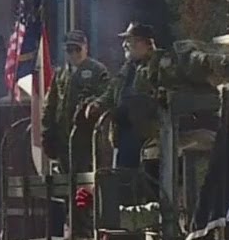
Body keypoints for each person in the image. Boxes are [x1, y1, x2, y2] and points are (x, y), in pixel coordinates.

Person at [41, 29, 112, 174]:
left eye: (77, 49)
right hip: (63, 139)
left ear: (86, 48)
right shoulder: (60, 74)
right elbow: (50, 105)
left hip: (87, 138)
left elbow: (106, 97)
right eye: (69, 50)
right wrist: (47, 134)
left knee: (85, 184)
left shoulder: (98, 71)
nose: (73, 54)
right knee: (66, 182)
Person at [90, 22, 158, 170]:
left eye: (129, 41)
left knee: (139, 181)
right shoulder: (128, 68)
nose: (124, 45)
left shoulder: (158, 65)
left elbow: (156, 100)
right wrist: (98, 104)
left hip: (147, 138)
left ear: (143, 43)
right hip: (124, 133)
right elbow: (112, 91)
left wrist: (130, 109)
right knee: (122, 177)